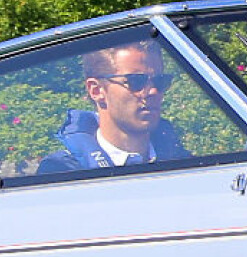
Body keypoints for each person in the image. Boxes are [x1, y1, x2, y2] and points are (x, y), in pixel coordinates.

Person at [38, 43, 192, 173]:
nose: (153, 91)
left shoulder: (185, 164)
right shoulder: (62, 172)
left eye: (160, 81)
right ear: (96, 90)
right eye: (136, 81)